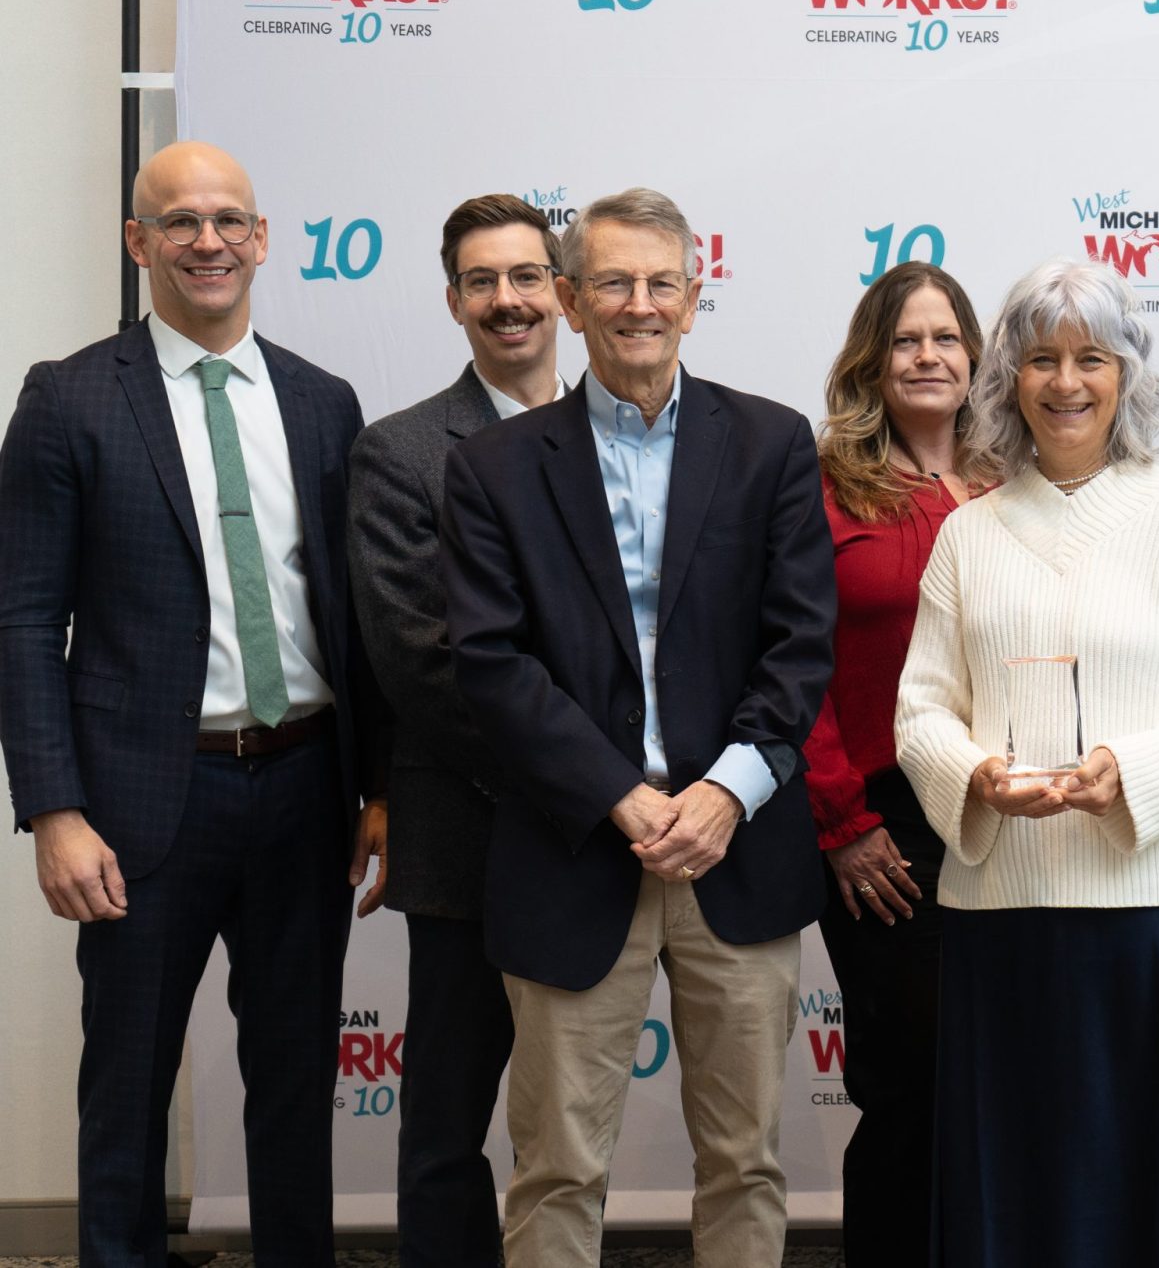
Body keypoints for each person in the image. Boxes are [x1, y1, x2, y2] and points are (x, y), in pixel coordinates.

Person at [440, 186, 836, 1266]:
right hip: (574, 848)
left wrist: (725, 793)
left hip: (735, 848)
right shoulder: (493, 467)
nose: (639, 303)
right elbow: (490, 662)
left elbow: (801, 642)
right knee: (558, 1169)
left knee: (746, 1162)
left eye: (662, 283)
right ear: (570, 301)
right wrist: (619, 795)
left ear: (694, 300)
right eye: (612, 281)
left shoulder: (769, 443)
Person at [0, 141, 380, 1264]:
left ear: (262, 240)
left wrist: (377, 787)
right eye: (179, 222)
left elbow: (356, 616)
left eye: (227, 221)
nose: (206, 241)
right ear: (139, 241)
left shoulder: (323, 402)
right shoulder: (69, 398)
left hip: (307, 788)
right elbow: (23, 619)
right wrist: (54, 810)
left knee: (296, 1083)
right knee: (126, 1089)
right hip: (137, 805)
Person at [895, 258, 1159, 1268]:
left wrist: (1131, 770)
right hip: (1000, 911)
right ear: (1008, 378)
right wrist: (976, 778)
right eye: (1041, 359)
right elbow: (921, 710)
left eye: (1091, 358)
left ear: (1126, 376)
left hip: (1158, 908)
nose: (1065, 382)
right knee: (1011, 1171)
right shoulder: (966, 535)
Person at [347, 192, 569, 1264]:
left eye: (525, 276)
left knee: (570, 1128)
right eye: (481, 281)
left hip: (613, 842)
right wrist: (587, 777)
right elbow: (419, 658)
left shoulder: (628, 434)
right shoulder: (398, 452)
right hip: (469, 837)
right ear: (451, 301)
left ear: (562, 293)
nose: (506, 299)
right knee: (444, 1124)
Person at [803, 262, 998, 1268]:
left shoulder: (1018, 480)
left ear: (975, 357)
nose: (927, 356)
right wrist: (841, 822)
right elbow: (791, 666)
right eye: (905, 340)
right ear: (872, 362)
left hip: (1010, 818)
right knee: (910, 1083)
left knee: (1003, 1081)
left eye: (945, 337)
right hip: (884, 826)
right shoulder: (824, 489)